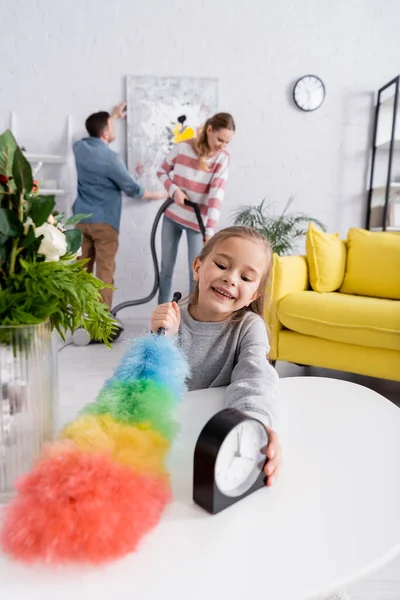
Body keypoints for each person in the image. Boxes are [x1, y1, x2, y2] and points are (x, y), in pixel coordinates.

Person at [151, 226, 282, 486]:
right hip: (169, 442)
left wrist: (254, 426)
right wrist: (162, 339)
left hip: (221, 445)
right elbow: (147, 383)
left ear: (253, 296)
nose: (231, 279)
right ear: (198, 268)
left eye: (246, 278)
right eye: (222, 265)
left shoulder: (249, 327)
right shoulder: (173, 318)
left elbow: (256, 377)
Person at [72, 102, 165, 310]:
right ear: (105, 132)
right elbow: (133, 189)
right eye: (110, 127)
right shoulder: (111, 159)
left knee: (80, 271)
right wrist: (158, 193)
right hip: (104, 222)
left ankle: (77, 317)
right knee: (104, 272)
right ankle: (101, 322)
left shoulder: (79, 148)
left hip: (80, 221)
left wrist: (112, 117)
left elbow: (99, 130)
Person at [156, 112, 235, 304]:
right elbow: (162, 171)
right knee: (166, 269)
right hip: (172, 216)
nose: (222, 146)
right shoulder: (182, 147)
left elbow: (216, 196)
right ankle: (160, 320)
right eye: (220, 140)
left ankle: (192, 321)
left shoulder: (222, 159)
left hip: (197, 224)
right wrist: (174, 190)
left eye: (226, 142)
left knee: (197, 274)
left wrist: (209, 232)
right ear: (209, 130)